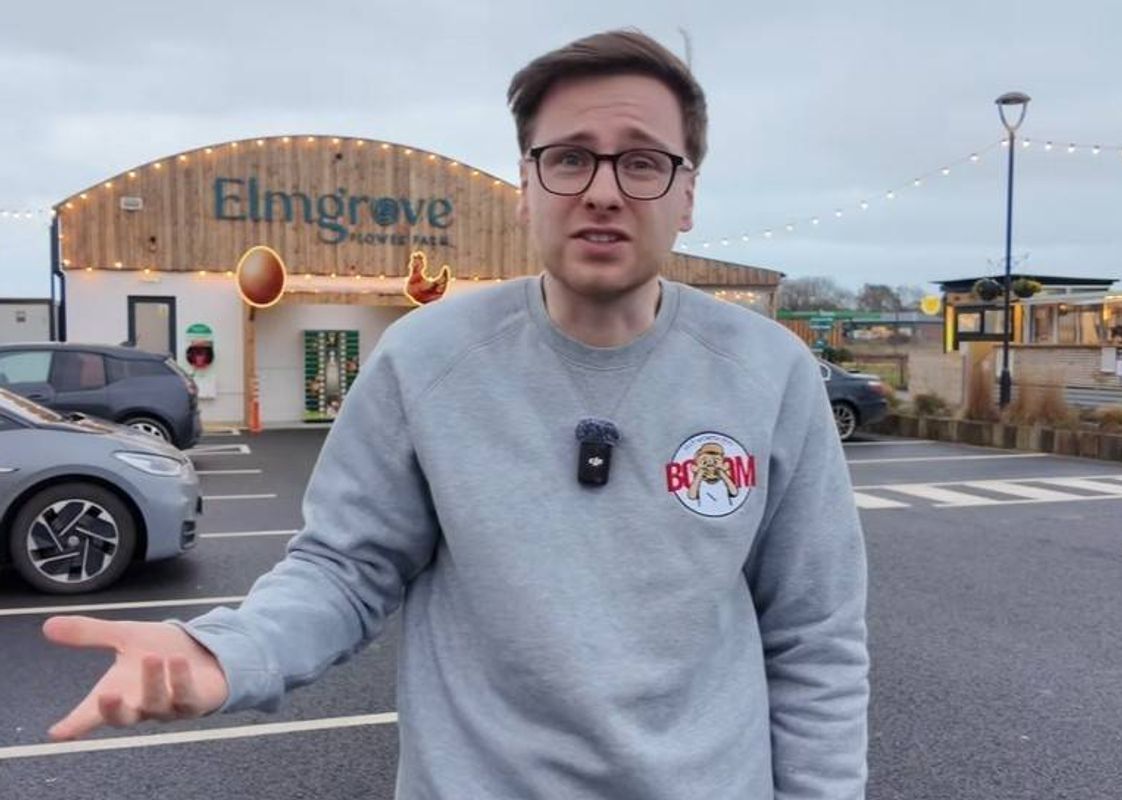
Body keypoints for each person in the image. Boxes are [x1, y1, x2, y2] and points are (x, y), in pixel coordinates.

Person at [43, 29, 869, 799]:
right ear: (524, 187)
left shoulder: (769, 372)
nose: (604, 192)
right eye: (570, 159)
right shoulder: (427, 360)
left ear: (687, 194)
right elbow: (346, 567)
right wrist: (227, 650)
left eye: (644, 163)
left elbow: (815, 636)